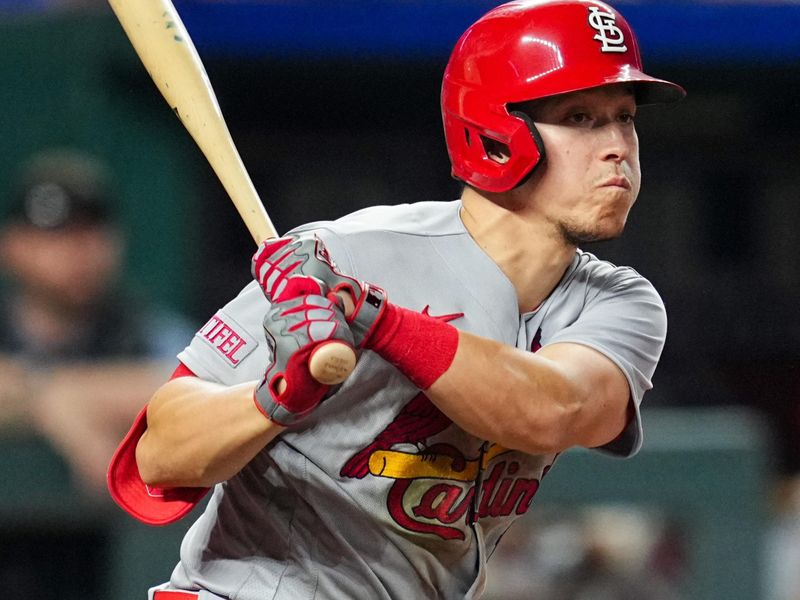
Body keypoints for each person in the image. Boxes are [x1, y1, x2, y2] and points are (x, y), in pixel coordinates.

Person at [108, 1, 685, 598]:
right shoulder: (349, 253)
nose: (618, 144)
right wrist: (273, 398)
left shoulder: (617, 302)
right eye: (582, 117)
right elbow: (158, 455)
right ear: (496, 131)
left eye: (624, 117)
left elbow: (555, 411)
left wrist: (380, 324)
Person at [0, 148, 195, 498]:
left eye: (91, 232)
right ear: (13, 246)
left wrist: (48, 394)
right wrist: (49, 396)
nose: (79, 251)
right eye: (57, 235)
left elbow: (203, 388)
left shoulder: (142, 329)